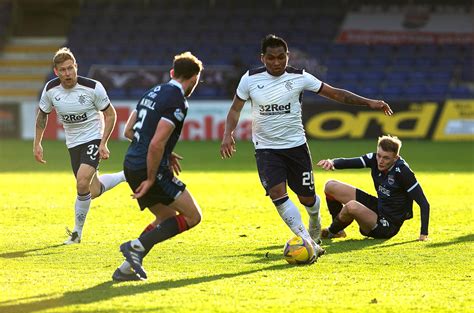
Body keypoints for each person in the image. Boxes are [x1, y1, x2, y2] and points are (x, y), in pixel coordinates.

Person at [220, 34, 393, 261]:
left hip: (296, 148)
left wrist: (368, 102)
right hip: (266, 149)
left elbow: (335, 93)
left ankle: (314, 221)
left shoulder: (300, 77)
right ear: (262, 58)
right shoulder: (250, 79)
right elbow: (235, 109)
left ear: (287, 56)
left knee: (307, 199)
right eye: (270, 58)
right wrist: (227, 134)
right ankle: (308, 241)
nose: (276, 62)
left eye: (281, 57)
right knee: (277, 193)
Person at [113, 52, 204, 281]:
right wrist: (152, 178)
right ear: (194, 79)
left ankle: (125, 269)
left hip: (131, 163)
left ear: (172, 73)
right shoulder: (178, 101)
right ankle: (136, 246)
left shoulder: (151, 92)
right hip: (148, 167)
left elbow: (129, 131)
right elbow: (155, 143)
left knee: (165, 218)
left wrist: (164, 151)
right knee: (193, 216)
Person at [34, 47, 126, 245]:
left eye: (70, 68)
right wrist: (37, 143)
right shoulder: (51, 90)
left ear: (76, 67)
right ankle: (123, 175)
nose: (68, 73)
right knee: (92, 189)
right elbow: (42, 115)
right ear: (56, 72)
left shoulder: (93, 87)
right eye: (63, 70)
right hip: (73, 144)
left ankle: (76, 234)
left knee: (82, 182)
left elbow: (111, 114)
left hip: (93, 139)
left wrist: (103, 142)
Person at [317, 135, 430, 241]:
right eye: (379, 155)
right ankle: (338, 231)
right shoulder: (374, 159)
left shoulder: (403, 172)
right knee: (330, 186)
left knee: (351, 206)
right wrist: (332, 162)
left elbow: (424, 203)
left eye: (386, 158)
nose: (380, 161)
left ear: (395, 158)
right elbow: (351, 162)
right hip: (378, 207)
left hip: (388, 224)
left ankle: (332, 230)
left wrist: (423, 234)